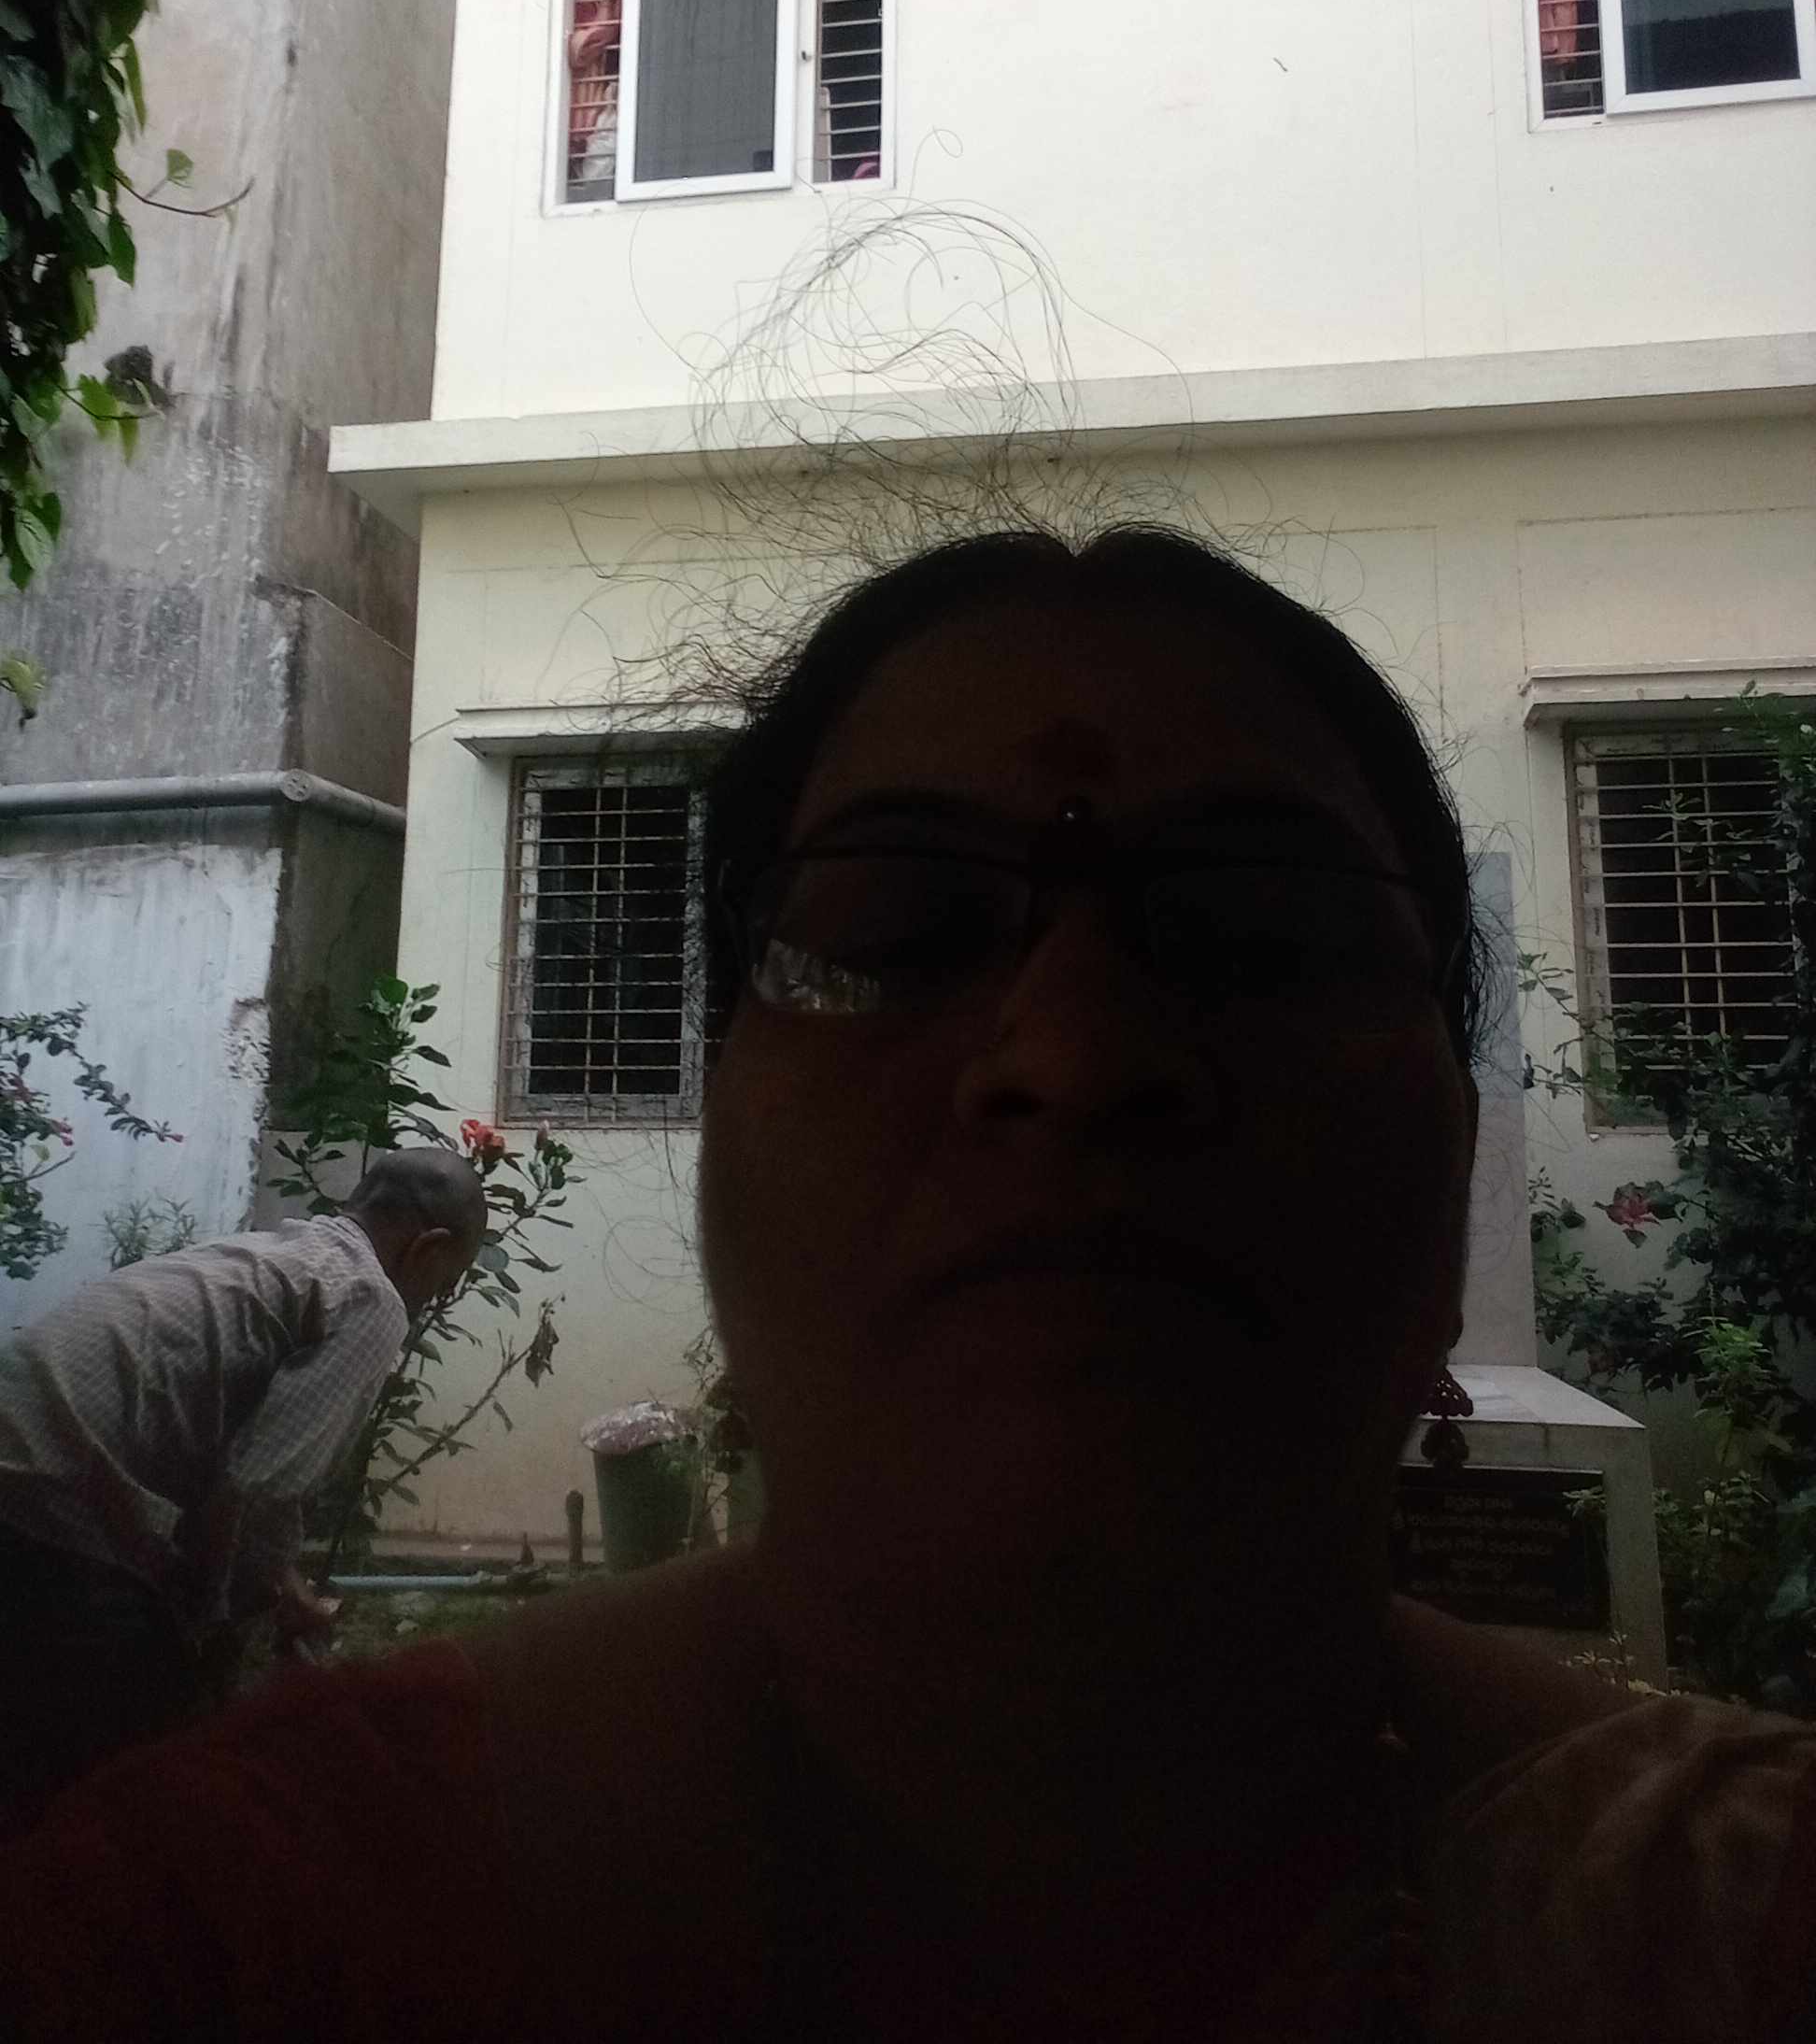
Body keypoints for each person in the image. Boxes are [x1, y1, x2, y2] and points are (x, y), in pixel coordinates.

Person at [2, 528, 1812, 2042]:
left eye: (1264, 935)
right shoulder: (218, 1941)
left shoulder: (1738, 1923)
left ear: (1455, 1130)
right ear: (720, 1113)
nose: (1076, 1051)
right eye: (895, 932)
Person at [0, 1147, 488, 1821]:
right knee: (123, 1789)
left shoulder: (278, 1253)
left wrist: (280, 1586)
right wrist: (234, 1635)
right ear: (429, 1249)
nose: (438, 1296)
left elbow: (246, 1491)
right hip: (55, 1507)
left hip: (26, 1457)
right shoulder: (370, 1297)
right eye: (449, 1280)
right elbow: (260, 1493)